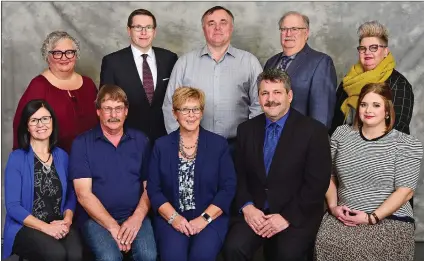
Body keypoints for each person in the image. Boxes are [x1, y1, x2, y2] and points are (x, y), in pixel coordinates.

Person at [223, 69, 332, 261]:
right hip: (255, 210)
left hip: (295, 212)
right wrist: (247, 207)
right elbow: (238, 175)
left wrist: (286, 217)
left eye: (277, 93)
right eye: (265, 93)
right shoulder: (246, 130)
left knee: (286, 255)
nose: (270, 99)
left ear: (289, 96)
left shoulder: (314, 131)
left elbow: (316, 185)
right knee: (234, 247)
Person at [315, 82, 423, 261]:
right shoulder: (341, 134)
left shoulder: (406, 144)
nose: (368, 110)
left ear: (387, 111)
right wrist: (333, 207)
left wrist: (371, 218)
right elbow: (329, 175)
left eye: (376, 105)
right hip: (344, 214)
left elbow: (405, 192)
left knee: (367, 250)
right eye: (364, 104)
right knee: (326, 241)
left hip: (390, 218)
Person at [147, 87, 237, 261]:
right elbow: (154, 189)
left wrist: (203, 219)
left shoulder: (218, 145)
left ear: (202, 112)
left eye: (196, 109)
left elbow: (228, 188)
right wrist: (174, 218)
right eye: (184, 110)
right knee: (174, 256)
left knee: (201, 256)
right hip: (171, 217)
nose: (191, 115)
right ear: (175, 113)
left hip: (210, 217)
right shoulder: (161, 146)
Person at [69, 85, 156, 261]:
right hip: (95, 219)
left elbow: (150, 188)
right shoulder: (82, 143)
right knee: (109, 257)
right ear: (98, 111)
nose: (113, 115)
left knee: (148, 255)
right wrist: (113, 228)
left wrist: (136, 219)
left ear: (126, 111)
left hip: (134, 215)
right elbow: (83, 195)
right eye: (108, 109)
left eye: (118, 109)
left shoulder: (141, 140)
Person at [162, 6, 263, 152]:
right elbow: (170, 105)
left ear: (231, 28)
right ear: (204, 29)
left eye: (223, 22)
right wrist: (180, 142)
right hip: (194, 146)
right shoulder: (185, 63)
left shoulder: (249, 62)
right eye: (211, 23)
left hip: (238, 146)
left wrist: (250, 138)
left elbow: (259, 104)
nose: (217, 28)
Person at [3, 99, 82, 261]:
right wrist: (46, 228)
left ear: (52, 121)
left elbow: (71, 196)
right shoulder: (17, 158)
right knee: (56, 254)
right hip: (26, 226)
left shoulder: (62, 156)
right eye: (34, 120)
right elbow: (13, 206)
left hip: (58, 223)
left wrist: (66, 221)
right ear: (27, 126)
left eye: (45, 118)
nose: (41, 124)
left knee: (76, 254)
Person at [13, 31, 98, 154]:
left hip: (90, 159)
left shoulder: (88, 84)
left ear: (76, 55)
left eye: (69, 52)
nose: (64, 58)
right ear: (48, 57)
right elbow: (21, 128)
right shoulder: (39, 86)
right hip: (52, 163)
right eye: (57, 53)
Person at [100, 9, 178, 143]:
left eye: (148, 27)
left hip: (165, 137)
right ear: (128, 30)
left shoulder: (170, 58)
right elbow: (106, 104)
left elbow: (177, 98)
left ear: (154, 31)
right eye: (138, 27)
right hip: (127, 139)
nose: (144, 32)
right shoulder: (112, 62)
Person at [330, 21, 414, 135]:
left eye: (374, 48)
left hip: (380, 151)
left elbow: (398, 130)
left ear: (385, 52)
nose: (367, 52)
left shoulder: (399, 84)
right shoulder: (349, 80)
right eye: (362, 48)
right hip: (343, 148)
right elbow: (334, 118)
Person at [264, 11, 337, 129]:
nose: (288, 33)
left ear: (306, 33)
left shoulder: (321, 62)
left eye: (294, 29)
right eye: (284, 29)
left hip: (302, 140)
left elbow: (322, 115)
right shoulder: (271, 62)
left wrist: (312, 142)